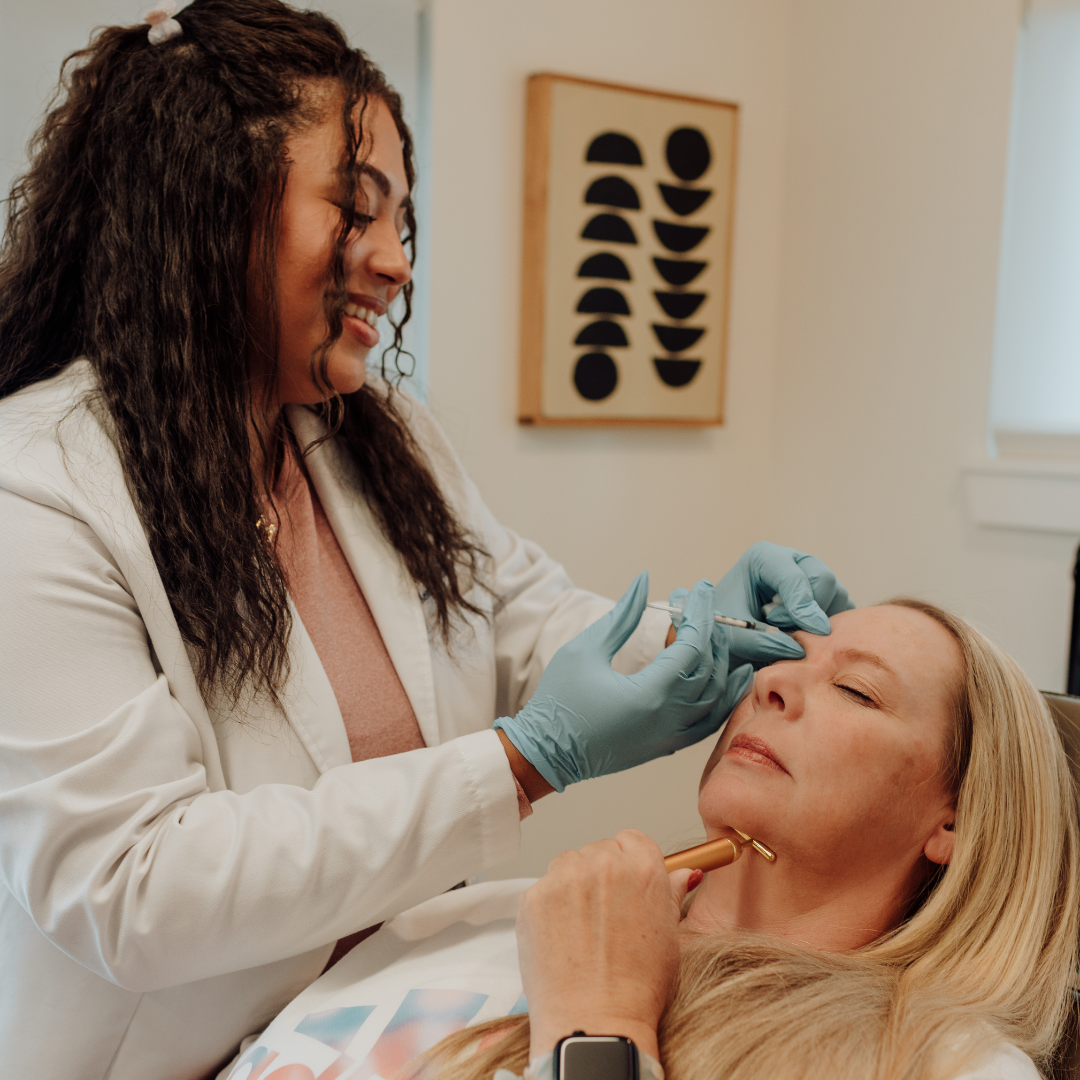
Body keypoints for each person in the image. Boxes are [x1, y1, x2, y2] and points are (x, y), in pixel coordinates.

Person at [0, 1, 854, 1075]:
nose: (397, 263)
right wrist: (520, 761)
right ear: (206, 201)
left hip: (377, 1026)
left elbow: (530, 621)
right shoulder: (38, 489)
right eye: (357, 210)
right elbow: (133, 890)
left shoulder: (374, 441)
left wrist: (719, 633)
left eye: (402, 221)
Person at [230, 601, 1080, 1080]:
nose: (775, 680)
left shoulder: (946, 1065)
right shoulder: (499, 918)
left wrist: (597, 1033)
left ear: (956, 820)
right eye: (787, 657)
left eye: (856, 690)